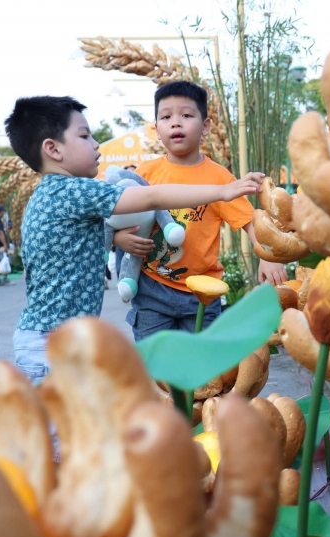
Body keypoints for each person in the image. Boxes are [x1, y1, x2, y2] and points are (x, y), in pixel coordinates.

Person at [4, 95, 262, 384]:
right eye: (85, 136)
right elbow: (151, 197)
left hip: (50, 338)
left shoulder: (49, 195)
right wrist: (223, 191)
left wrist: (117, 238)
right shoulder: (72, 191)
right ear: (53, 149)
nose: (96, 144)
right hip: (53, 345)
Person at [109, 81, 288, 342]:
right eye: (166, 116)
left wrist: (268, 255)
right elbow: (115, 220)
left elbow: (250, 223)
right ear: (156, 129)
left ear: (205, 126)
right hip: (151, 289)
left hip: (202, 293)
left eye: (187, 115)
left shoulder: (219, 178)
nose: (176, 123)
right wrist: (118, 239)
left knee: (203, 372)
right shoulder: (145, 174)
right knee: (156, 367)